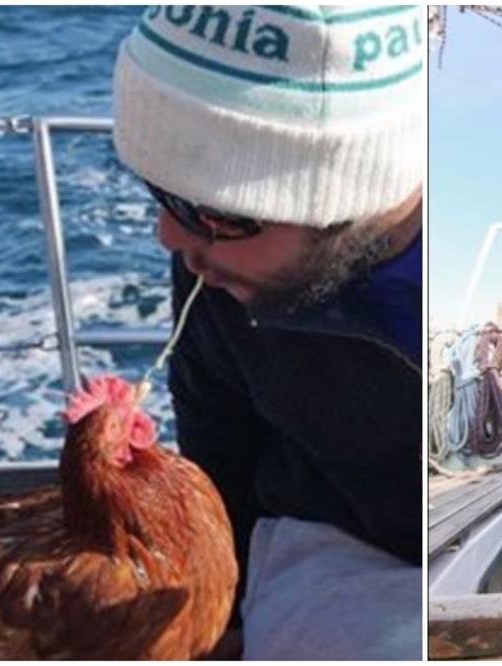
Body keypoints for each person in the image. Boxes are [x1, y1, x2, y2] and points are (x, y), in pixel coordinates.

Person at [111, 6, 422, 660]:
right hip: (320, 540)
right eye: (160, 189)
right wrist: (218, 615)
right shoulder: (220, 251)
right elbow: (215, 421)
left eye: (213, 209)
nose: (170, 237)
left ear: (348, 193)